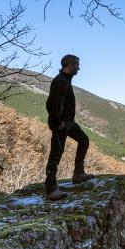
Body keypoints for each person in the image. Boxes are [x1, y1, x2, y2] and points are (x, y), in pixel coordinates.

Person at [43, 54, 96, 199]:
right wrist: (58, 123)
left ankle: (78, 173)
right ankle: (51, 189)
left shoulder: (65, 80)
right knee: (56, 154)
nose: (79, 68)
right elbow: (50, 104)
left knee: (84, 140)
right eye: (77, 65)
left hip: (68, 122)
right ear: (70, 65)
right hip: (61, 124)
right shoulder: (60, 81)